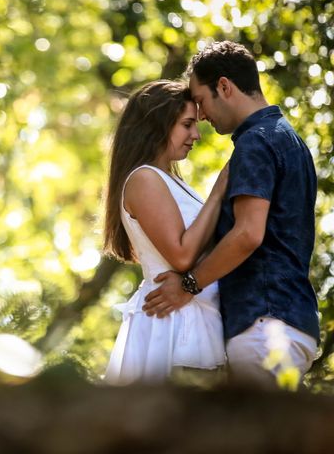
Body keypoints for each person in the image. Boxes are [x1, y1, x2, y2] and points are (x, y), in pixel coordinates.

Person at [142, 41, 320, 388]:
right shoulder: (289, 139)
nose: (202, 115)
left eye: (202, 101)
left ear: (224, 86)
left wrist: (189, 286)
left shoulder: (255, 142)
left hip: (264, 324)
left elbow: (247, 234)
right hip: (289, 320)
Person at [103, 80, 228, 385]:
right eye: (187, 125)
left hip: (196, 318)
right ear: (157, 125)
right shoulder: (144, 179)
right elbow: (182, 255)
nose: (196, 135)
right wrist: (219, 191)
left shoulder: (169, 180)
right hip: (172, 327)